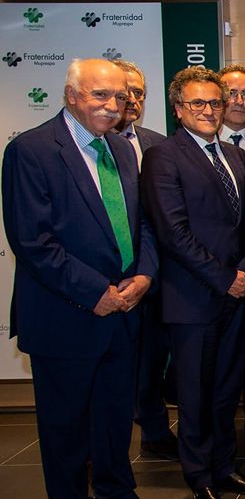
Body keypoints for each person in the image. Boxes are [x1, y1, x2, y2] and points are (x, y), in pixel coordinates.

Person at [3, 58, 156, 499]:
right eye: (100, 95)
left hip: (123, 314)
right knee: (66, 436)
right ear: (71, 96)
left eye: (120, 97)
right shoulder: (31, 150)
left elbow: (142, 224)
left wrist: (144, 275)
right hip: (65, 318)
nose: (113, 105)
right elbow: (32, 241)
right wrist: (95, 292)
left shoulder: (122, 150)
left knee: (114, 428)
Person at [141, 66, 245, 498]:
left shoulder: (236, 156)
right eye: (198, 103)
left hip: (238, 295)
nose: (209, 110)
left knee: (226, 391)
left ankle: (224, 467)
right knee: (195, 394)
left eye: (215, 102)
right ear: (178, 109)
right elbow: (172, 232)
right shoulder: (163, 156)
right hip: (193, 299)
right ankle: (199, 476)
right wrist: (224, 277)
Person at [109, 59, 177, 463]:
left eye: (138, 93)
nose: (131, 100)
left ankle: (153, 431)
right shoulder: (93, 145)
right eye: (124, 92)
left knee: (153, 358)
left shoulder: (157, 144)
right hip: (105, 280)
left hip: (154, 274)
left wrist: (148, 273)